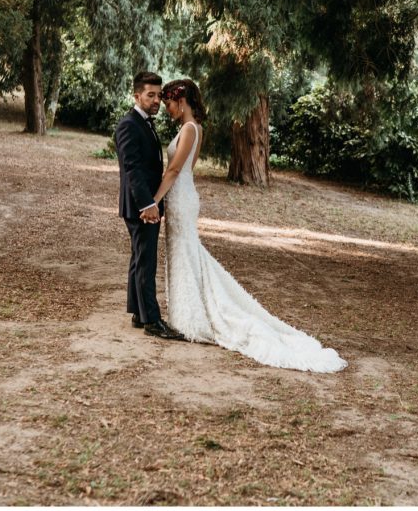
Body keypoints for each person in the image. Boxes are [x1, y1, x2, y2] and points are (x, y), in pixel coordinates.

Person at [153, 79, 347, 372]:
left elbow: (176, 169)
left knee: (185, 253)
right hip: (183, 196)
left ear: (181, 101)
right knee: (185, 254)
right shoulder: (192, 130)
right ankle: (185, 314)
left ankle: (194, 317)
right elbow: (186, 172)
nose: (166, 109)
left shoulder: (190, 129)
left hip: (181, 200)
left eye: (168, 103)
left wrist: (153, 200)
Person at [114, 72, 184, 340]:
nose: (156, 100)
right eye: (150, 95)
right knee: (146, 262)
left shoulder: (144, 123)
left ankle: (138, 312)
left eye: (158, 95)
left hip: (142, 205)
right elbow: (131, 169)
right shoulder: (129, 125)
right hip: (141, 207)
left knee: (139, 258)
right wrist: (148, 204)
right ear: (137, 96)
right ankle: (152, 321)